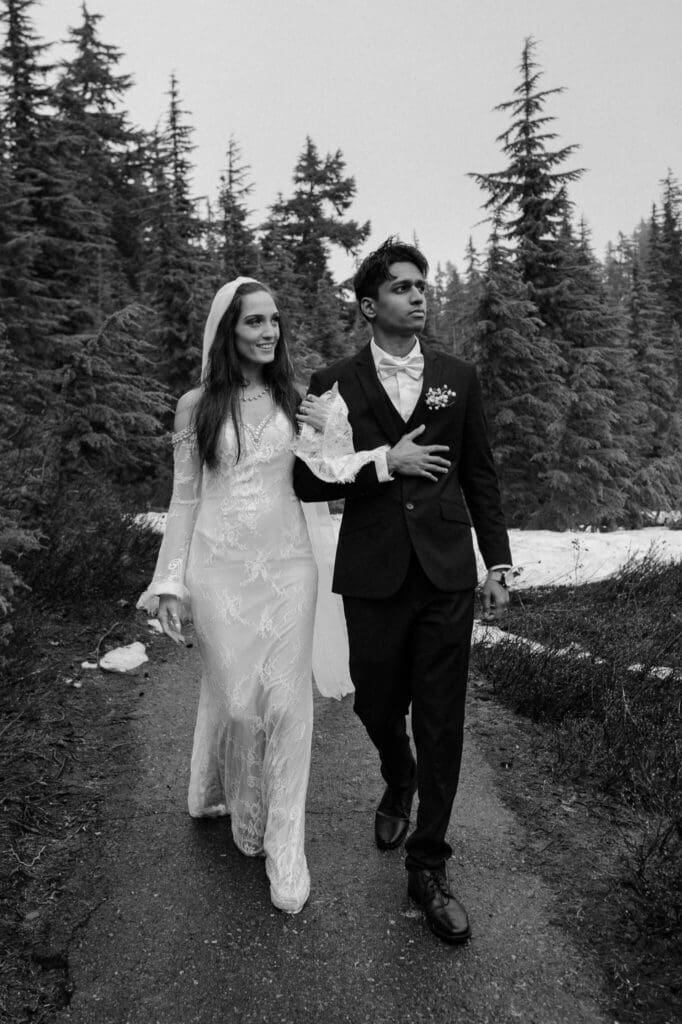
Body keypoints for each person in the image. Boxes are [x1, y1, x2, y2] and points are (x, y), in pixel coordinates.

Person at [294, 238, 512, 944]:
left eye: (422, 285)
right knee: (377, 698)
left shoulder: (457, 375)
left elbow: (480, 473)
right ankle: (397, 771)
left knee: (444, 718)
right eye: (401, 287)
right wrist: (384, 463)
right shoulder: (331, 383)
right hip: (374, 569)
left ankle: (429, 865)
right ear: (368, 305)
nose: (418, 295)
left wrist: (498, 563)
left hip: (447, 569)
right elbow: (307, 480)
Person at [138, 277, 341, 914]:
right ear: (228, 330)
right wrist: (168, 583)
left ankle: (285, 844)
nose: (269, 331)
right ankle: (229, 800)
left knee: (286, 704)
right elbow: (183, 497)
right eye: (254, 321)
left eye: (274, 320)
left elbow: (332, 478)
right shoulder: (192, 408)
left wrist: (328, 431)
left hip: (290, 568)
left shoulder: (298, 398)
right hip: (218, 572)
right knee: (239, 703)